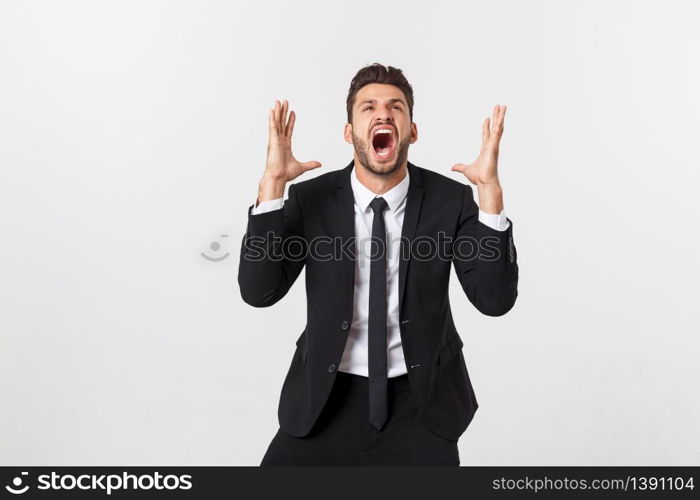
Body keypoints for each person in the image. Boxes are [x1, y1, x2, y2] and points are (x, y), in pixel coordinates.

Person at [238, 63, 519, 465]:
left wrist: (490, 197)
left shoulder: (450, 201)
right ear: (350, 133)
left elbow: (494, 300)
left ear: (412, 131)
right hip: (326, 398)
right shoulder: (310, 199)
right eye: (368, 107)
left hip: (420, 404)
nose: (383, 114)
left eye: (396, 107)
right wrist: (272, 188)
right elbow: (258, 291)